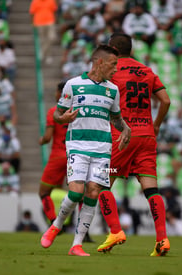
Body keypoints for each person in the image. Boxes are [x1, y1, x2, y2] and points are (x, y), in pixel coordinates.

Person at [40, 45, 131, 256]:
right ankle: (56, 225)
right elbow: (57, 114)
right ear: (99, 62)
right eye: (113, 64)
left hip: (102, 148)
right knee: (75, 192)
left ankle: (76, 245)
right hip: (78, 145)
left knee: (93, 192)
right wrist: (63, 119)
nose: (116, 69)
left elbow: (116, 119)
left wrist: (126, 129)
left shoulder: (113, 90)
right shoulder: (73, 85)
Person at [97, 33, 171, 256]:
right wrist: (156, 124)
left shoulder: (112, 70)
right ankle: (162, 240)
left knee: (101, 182)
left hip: (122, 137)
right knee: (151, 189)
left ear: (113, 49)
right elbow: (166, 100)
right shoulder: (147, 71)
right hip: (147, 136)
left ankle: (116, 231)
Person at [38, 82, 68, 224]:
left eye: (56, 91)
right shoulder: (77, 110)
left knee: (44, 192)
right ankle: (83, 232)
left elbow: (48, 137)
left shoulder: (53, 111)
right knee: (81, 195)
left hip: (58, 156)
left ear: (61, 93)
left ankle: (54, 223)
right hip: (74, 156)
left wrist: (42, 140)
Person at [29, 0, 57, 65]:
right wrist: (32, 23)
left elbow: (54, 10)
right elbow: (32, 13)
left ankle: (42, 52)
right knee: (43, 40)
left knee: (52, 38)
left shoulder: (51, 1)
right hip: (39, 22)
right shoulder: (35, 1)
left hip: (50, 21)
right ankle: (48, 56)